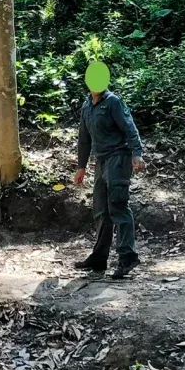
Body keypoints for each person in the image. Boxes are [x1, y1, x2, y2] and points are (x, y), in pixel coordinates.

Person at [73, 62, 146, 279]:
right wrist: (81, 167)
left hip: (118, 158)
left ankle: (127, 257)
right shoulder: (87, 106)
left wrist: (137, 154)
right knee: (101, 211)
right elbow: (84, 139)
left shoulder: (113, 102)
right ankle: (99, 258)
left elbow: (129, 127)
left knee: (118, 207)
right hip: (101, 160)